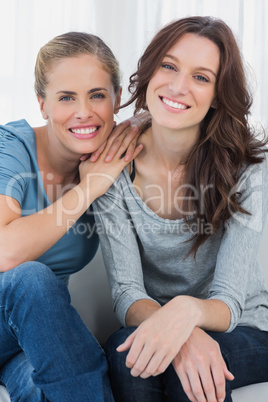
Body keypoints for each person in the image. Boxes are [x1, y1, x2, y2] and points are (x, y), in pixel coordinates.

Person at [93, 16, 268, 402]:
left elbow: (228, 301)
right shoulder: (113, 164)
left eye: (201, 77)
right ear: (150, 69)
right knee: (128, 359)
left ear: (218, 95)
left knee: (189, 379)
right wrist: (180, 332)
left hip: (245, 326)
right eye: (169, 66)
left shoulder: (247, 167)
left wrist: (187, 313)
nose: (178, 86)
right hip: (160, 318)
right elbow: (126, 293)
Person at [0, 31, 143, 401]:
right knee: (30, 276)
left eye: (97, 95)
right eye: (66, 97)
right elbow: (4, 252)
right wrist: (88, 189)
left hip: (27, 341)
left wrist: (147, 121)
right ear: (42, 104)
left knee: (46, 390)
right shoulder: (10, 148)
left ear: (116, 100)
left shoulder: (110, 159)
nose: (84, 112)